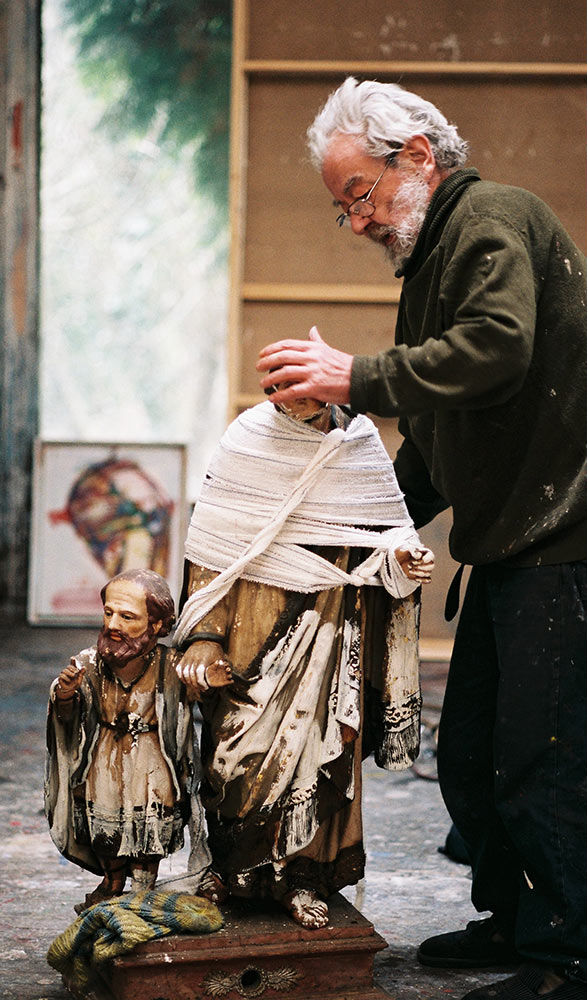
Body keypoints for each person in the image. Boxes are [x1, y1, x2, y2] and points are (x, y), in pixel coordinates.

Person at [256, 77, 587, 1000]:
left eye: (358, 194)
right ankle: (512, 919)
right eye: (342, 208)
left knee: (543, 757)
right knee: (473, 752)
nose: (356, 221)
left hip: (564, 543)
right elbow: (440, 435)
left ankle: (566, 957)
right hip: (515, 544)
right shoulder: (435, 258)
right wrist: (355, 529)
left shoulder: (490, 220)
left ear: (416, 157)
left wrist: (354, 377)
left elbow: (496, 349)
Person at [173, 385, 433, 930]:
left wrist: (402, 563)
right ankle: (232, 868)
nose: (292, 401)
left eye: (305, 389)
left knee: (321, 747)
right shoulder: (246, 441)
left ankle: (302, 874)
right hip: (251, 625)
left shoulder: (357, 443)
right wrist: (205, 635)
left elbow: (385, 537)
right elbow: (211, 547)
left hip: (330, 626)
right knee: (233, 754)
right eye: (281, 389)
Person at [44, 568, 192, 913]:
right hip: (105, 760)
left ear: (156, 624)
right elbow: (66, 718)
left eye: (127, 617)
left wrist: (207, 682)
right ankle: (112, 883)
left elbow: (201, 696)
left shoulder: (171, 665)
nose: (113, 625)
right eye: (109, 613)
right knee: (105, 828)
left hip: (152, 762)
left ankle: (143, 889)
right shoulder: (89, 663)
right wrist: (65, 695)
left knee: (149, 829)